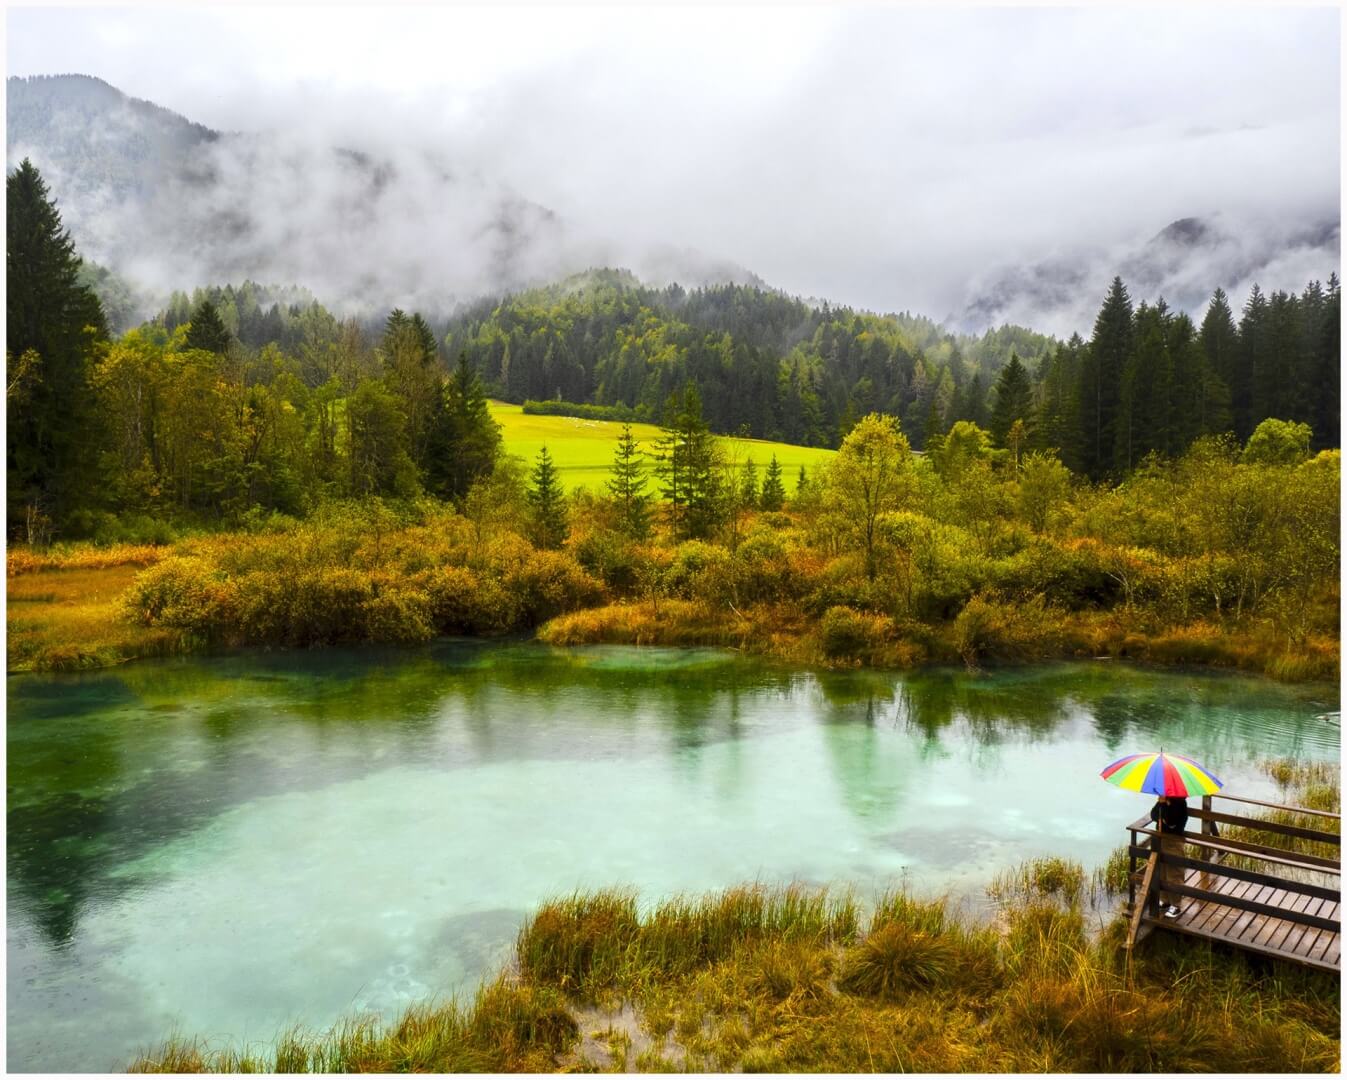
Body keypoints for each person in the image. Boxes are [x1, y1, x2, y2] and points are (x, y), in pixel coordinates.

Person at [1149, 794, 1189, 918]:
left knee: (1174, 873)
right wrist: (1161, 804)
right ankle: (1165, 900)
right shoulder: (1165, 800)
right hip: (1161, 840)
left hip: (1173, 842)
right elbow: (1153, 815)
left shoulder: (1179, 803)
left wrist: (1163, 805)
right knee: (1162, 871)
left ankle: (1176, 905)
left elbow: (1171, 820)